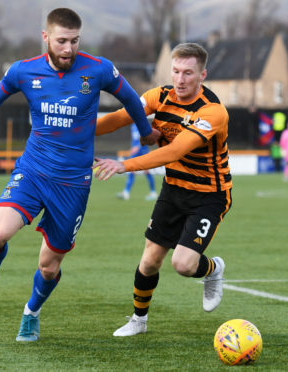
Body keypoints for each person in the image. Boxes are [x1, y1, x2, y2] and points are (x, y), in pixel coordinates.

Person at [0, 8, 160, 342]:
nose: (69, 49)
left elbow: (131, 98)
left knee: (49, 267)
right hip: (33, 171)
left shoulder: (99, 69)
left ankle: (31, 313)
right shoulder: (23, 71)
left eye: (75, 41)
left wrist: (147, 132)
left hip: (74, 184)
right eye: (62, 41)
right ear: (45, 37)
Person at [93, 43, 232, 336]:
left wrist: (124, 165)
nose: (180, 79)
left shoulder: (213, 112)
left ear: (202, 75)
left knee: (182, 264)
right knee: (150, 260)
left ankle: (213, 269)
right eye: (176, 71)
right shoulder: (159, 96)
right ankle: (138, 321)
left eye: (188, 73)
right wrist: (70, 126)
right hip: (173, 190)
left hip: (208, 196)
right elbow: (118, 118)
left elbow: (175, 151)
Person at [116, 123, 157, 201]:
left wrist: (138, 146)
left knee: (147, 171)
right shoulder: (133, 125)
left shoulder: (141, 123)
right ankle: (126, 192)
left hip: (143, 150)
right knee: (131, 170)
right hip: (136, 152)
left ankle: (153, 192)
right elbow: (135, 139)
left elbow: (145, 137)